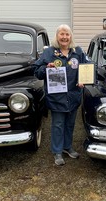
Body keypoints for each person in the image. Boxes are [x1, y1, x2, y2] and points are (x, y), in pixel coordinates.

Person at [34, 24, 88, 166]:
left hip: (73, 96)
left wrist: (84, 79)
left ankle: (67, 147)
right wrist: (46, 68)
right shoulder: (49, 53)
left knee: (70, 124)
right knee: (58, 124)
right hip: (56, 97)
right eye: (61, 34)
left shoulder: (78, 52)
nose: (64, 37)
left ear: (71, 37)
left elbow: (87, 67)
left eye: (67, 34)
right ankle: (57, 151)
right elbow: (37, 72)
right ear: (57, 36)